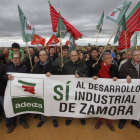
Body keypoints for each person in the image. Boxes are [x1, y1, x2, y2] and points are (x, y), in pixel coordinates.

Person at [3, 52, 29, 133]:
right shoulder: (8, 67)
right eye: (14, 57)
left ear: (20, 59)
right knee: (12, 107)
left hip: (22, 92)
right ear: (12, 59)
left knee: (22, 106)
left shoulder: (24, 68)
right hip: (12, 92)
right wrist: (7, 77)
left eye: (17, 58)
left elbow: (29, 78)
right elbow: (3, 76)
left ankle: (22, 121)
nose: (15, 59)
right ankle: (12, 124)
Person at [32, 50, 59, 128]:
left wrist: (52, 75)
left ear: (47, 56)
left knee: (52, 103)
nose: (42, 56)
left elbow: (59, 74)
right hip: (41, 89)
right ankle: (43, 119)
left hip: (51, 88)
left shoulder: (53, 65)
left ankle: (54, 119)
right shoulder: (35, 66)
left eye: (43, 55)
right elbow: (33, 77)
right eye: (40, 55)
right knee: (42, 104)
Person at [92, 52, 118, 131]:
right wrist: (94, 77)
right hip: (100, 91)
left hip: (110, 91)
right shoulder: (97, 66)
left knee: (109, 106)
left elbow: (118, 76)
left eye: (111, 58)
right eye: (108, 58)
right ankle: (99, 121)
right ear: (103, 59)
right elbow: (92, 75)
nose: (110, 60)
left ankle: (109, 122)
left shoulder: (114, 67)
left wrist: (116, 78)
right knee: (100, 105)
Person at [62, 50, 88, 126]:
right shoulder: (66, 65)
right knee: (70, 103)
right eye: (72, 55)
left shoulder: (83, 65)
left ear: (78, 56)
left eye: (75, 55)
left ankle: (81, 117)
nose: (73, 57)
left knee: (80, 103)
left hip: (80, 89)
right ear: (70, 56)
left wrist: (80, 75)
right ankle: (69, 117)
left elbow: (87, 74)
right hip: (70, 89)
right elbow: (62, 76)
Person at [118, 49, 140, 129]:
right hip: (128, 91)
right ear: (131, 56)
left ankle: (135, 121)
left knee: (138, 105)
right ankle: (122, 120)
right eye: (136, 55)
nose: (138, 56)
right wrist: (125, 76)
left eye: (139, 54)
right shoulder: (125, 65)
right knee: (125, 105)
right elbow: (120, 73)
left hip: (138, 91)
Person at [0, 56, 7, 125]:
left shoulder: (4, 66)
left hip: (2, 91)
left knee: (5, 107)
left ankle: (7, 121)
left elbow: (5, 77)